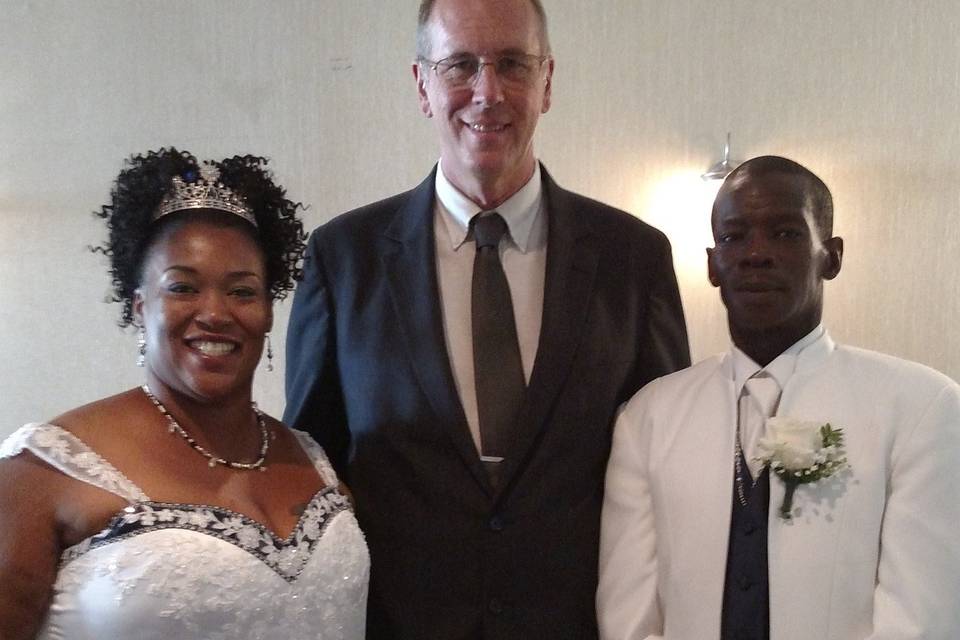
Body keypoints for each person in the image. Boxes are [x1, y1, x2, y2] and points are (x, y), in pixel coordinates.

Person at [283, 0, 690, 637]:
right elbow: (310, 472)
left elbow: (670, 465)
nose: (488, 91)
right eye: (460, 65)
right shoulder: (343, 259)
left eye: (512, 64)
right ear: (422, 84)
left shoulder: (632, 258)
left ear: (547, 82)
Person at [0, 149, 369, 640]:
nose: (215, 313)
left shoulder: (314, 462)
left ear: (267, 312)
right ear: (139, 307)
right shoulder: (42, 473)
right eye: (182, 288)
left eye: (242, 292)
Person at [597, 155, 960, 639]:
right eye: (734, 236)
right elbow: (629, 617)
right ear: (711, 265)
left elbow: (920, 620)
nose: (756, 253)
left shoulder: (920, 407)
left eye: (786, 233)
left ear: (830, 256)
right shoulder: (649, 416)